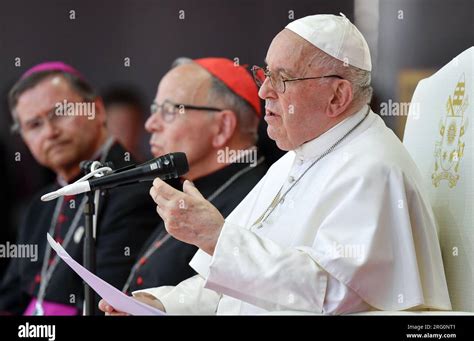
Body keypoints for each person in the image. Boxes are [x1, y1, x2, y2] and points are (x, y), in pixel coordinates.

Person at [100, 14, 451, 315]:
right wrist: (161, 304)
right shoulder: (293, 160)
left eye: (282, 79)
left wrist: (217, 236)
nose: (265, 90)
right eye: (264, 74)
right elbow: (233, 285)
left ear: (337, 96)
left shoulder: (373, 169)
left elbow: (333, 293)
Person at [0, 62, 157, 315]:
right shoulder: (40, 205)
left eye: (59, 113)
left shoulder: (136, 189)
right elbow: (9, 297)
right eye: (34, 125)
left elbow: (110, 303)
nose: (50, 132)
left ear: (96, 110)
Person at [122, 57, 267, 294]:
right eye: (154, 110)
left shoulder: (256, 200)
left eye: (168, 110)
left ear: (222, 127)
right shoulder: (188, 187)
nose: (150, 124)